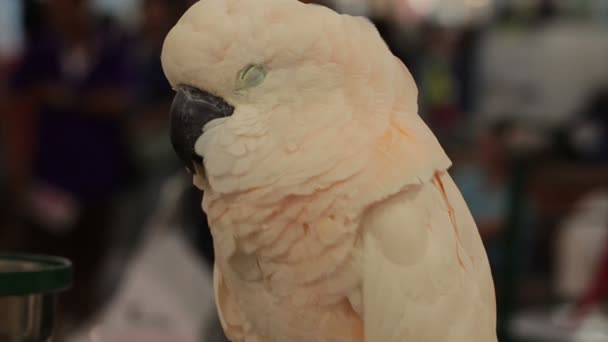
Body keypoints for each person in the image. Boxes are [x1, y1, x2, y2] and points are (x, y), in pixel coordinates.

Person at [6, 0, 136, 330]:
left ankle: (84, 328)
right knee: (46, 265)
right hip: (48, 180)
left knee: (91, 264)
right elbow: (16, 106)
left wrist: (70, 98)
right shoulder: (41, 50)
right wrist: (18, 172)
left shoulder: (113, 46)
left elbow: (123, 101)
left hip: (98, 179)